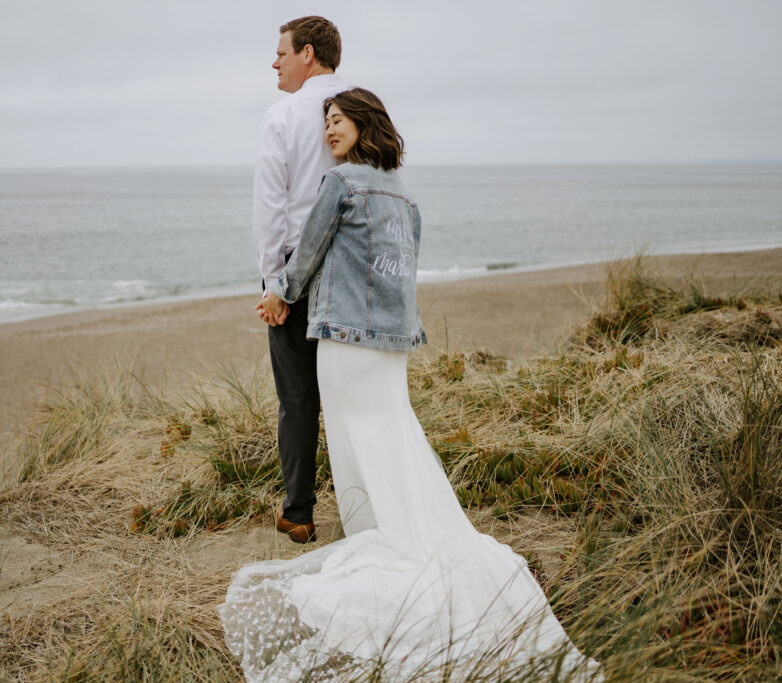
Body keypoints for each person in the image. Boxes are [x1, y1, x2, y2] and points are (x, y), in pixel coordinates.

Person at [221, 89, 603, 681]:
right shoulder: (405, 195)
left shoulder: (341, 185)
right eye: (325, 122)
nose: (328, 131)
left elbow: (309, 255)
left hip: (345, 339)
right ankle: (402, 534)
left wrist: (279, 296)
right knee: (393, 433)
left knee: (353, 441)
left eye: (338, 121)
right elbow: (403, 271)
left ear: (363, 124)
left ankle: (374, 543)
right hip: (393, 342)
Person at [252, 16, 346, 544]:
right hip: (354, 271)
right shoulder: (363, 105)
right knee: (350, 392)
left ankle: (300, 512)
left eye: (281, 52)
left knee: (298, 396)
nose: (275, 62)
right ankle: (365, 504)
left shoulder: (283, 114)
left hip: (297, 275)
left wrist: (273, 282)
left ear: (307, 53)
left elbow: (271, 205)